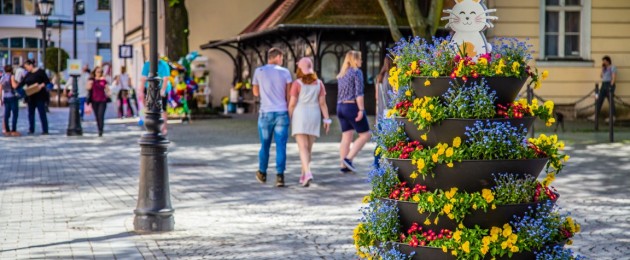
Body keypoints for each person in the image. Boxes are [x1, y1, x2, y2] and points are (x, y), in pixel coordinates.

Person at [252, 47, 292, 187]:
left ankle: (262, 172)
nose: (282, 60)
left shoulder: (259, 71)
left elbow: (256, 93)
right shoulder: (285, 72)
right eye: (282, 58)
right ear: (278, 56)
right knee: (281, 146)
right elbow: (288, 95)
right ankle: (280, 176)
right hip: (281, 111)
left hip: (265, 113)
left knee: (265, 145)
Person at [288, 57, 331, 187]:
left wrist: (289, 118)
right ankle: (303, 174)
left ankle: (308, 173)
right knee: (309, 149)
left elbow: (292, 104)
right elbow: (323, 103)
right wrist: (326, 119)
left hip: (300, 115)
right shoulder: (319, 83)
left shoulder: (297, 84)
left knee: (302, 148)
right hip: (314, 115)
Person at [336, 50, 371, 173]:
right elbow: (359, 94)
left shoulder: (342, 74)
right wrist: (361, 109)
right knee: (366, 135)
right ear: (354, 60)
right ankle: (349, 159)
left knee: (346, 136)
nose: (361, 61)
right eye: (360, 58)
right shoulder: (357, 72)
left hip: (340, 107)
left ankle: (343, 165)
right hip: (352, 107)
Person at [139, 58, 171, 134]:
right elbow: (143, 79)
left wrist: (162, 90)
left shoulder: (163, 64)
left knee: (163, 108)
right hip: (150, 88)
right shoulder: (147, 65)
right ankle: (151, 127)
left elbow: (165, 79)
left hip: (162, 87)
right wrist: (141, 92)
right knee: (150, 107)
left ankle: (163, 128)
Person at [19, 59, 49, 135]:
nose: (26, 69)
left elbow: (47, 81)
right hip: (31, 97)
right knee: (31, 113)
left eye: (27, 67)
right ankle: (31, 129)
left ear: (31, 65)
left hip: (40, 96)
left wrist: (41, 85)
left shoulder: (40, 72)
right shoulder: (28, 74)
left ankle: (45, 130)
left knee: (42, 113)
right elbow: (22, 83)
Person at [373, 57, 394, 166]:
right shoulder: (392, 77)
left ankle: (376, 164)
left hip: (381, 113)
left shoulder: (380, 78)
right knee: (389, 142)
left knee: (380, 142)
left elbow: (377, 97)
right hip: (390, 113)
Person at [86, 66, 111, 137]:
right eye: (98, 72)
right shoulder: (92, 80)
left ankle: (101, 130)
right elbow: (87, 88)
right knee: (97, 116)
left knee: (101, 115)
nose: (99, 73)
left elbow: (107, 89)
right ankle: (99, 128)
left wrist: (109, 93)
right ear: (95, 72)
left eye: (101, 72)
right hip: (94, 100)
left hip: (103, 100)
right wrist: (90, 83)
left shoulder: (104, 80)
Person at [596, 55, 618, 123]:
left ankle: (613, 116)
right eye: (603, 61)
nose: (603, 62)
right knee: (599, 100)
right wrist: (602, 69)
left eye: (604, 61)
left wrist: (611, 86)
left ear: (608, 61)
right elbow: (601, 76)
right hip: (603, 84)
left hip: (609, 84)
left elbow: (614, 77)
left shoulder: (612, 67)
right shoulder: (604, 68)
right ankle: (596, 115)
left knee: (610, 101)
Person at [1, 65, 20, 136]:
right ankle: (13, 130)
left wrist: (1, 98)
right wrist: (18, 83)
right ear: (11, 70)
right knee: (15, 114)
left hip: (5, 97)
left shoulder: (3, 77)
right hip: (12, 96)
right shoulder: (11, 76)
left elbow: (0, 88)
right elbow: (14, 86)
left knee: (6, 114)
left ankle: (7, 130)